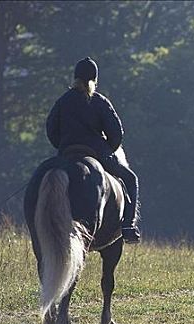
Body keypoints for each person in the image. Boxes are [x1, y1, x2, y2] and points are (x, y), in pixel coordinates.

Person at [46, 57, 141, 244]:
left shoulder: (62, 101)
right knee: (131, 179)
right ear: (94, 79)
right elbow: (117, 133)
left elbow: (51, 129)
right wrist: (107, 150)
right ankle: (128, 227)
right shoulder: (99, 101)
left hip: (67, 152)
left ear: (75, 78)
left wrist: (63, 147)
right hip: (97, 153)